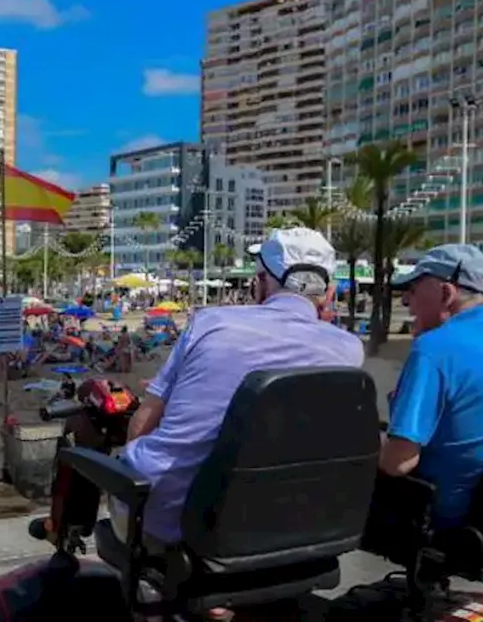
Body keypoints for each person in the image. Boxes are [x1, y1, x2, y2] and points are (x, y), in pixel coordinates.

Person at [104, 228, 364, 555]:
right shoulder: (349, 351)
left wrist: (132, 463)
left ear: (261, 283)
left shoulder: (210, 324)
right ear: (327, 293)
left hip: (172, 521)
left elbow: (144, 420)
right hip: (285, 524)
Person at [374, 244, 483, 532]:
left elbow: (398, 464)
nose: (406, 301)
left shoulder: (434, 350)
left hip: (446, 512)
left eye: (414, 289)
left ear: (446, 294)